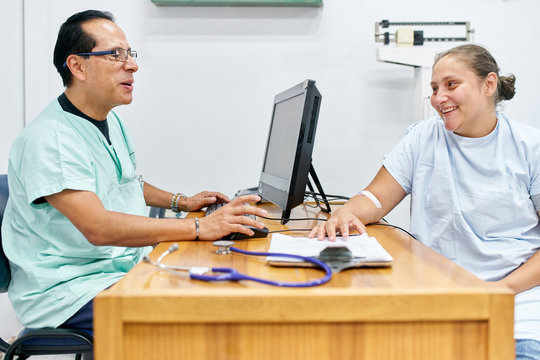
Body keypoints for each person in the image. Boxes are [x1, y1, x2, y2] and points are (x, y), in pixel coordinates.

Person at [0, 10, 267, 335]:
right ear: (77, 66)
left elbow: (124, 182)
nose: (132, 65)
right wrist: (200, 226)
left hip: (119, 267)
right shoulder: (49, 140)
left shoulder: (107, 120)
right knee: (201, 317)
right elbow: (98, 228)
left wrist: (182, 202)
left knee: (221, 285)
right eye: (115, 54)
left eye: (130, 54)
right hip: (69, 291)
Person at [310, 44, 540, 359]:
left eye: (451, 85)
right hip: (438, 289)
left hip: (517, 298)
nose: (438, 98)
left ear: (489, 85)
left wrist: (500, 292)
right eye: (434, 88)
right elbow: (375, 198)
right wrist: (346, 213)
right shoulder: (422, 138)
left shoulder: (531, 148)